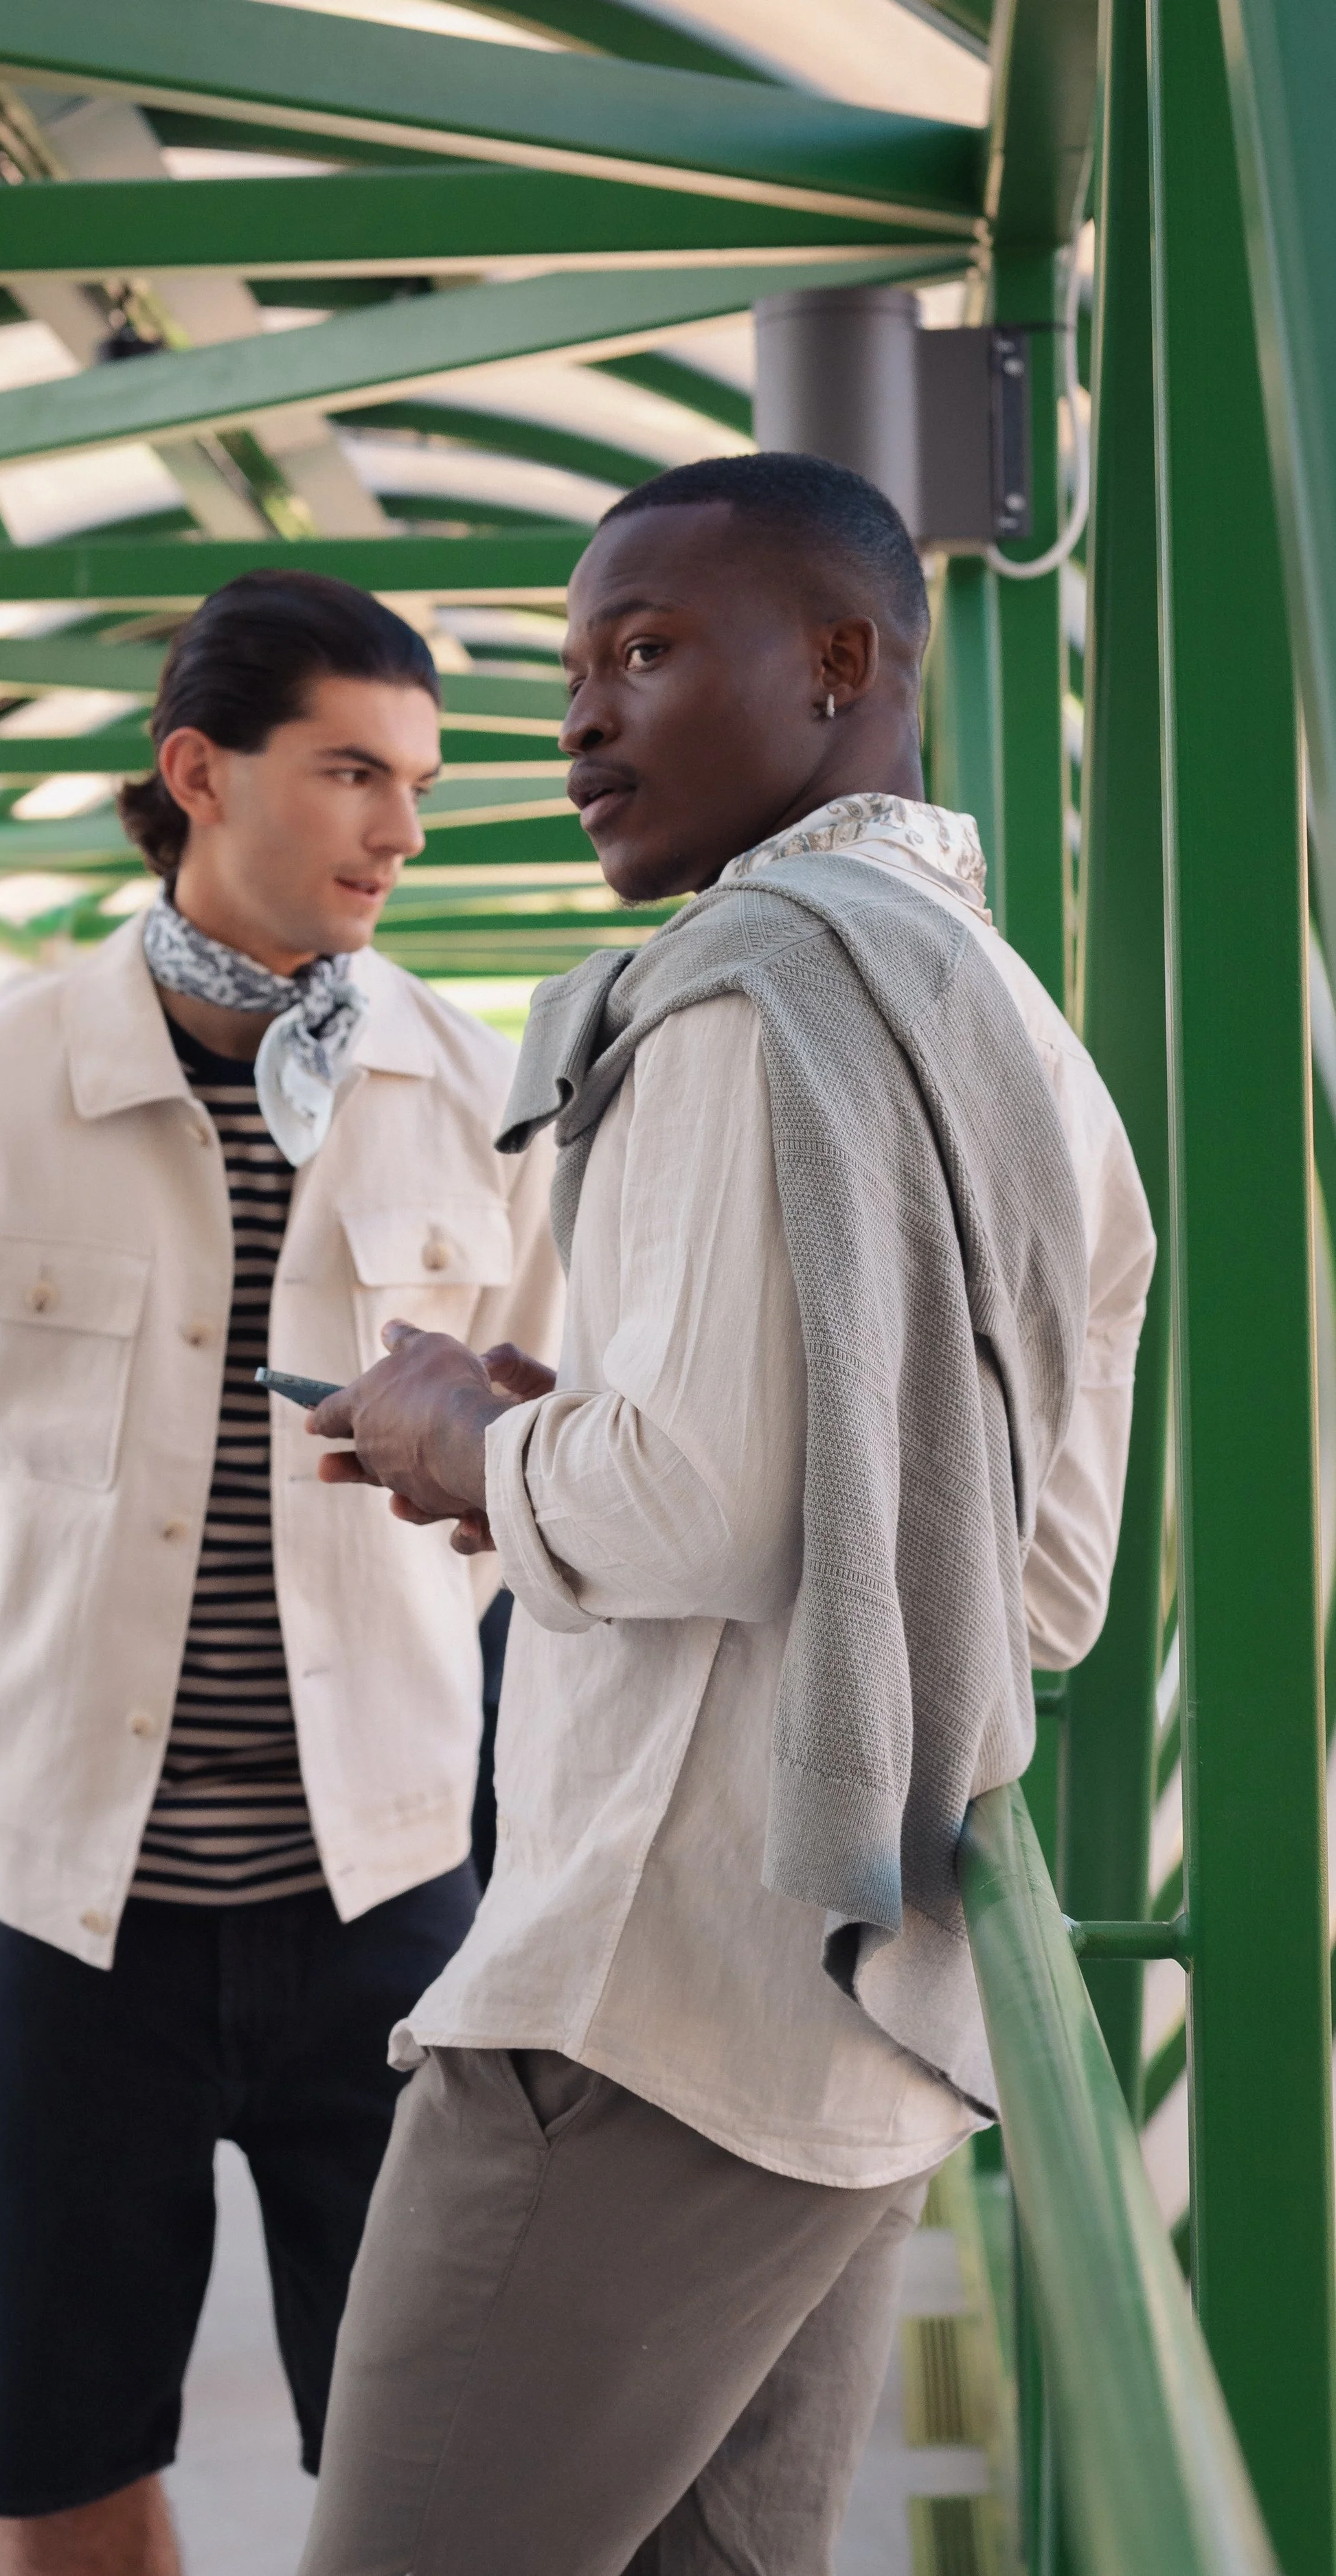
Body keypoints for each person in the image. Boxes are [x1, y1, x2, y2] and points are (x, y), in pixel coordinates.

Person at [295, 456, 1155, 2576]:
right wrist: (579, 1438)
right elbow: (1026, 1585)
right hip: (856, 2030)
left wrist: (454, 1439)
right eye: (572, 671)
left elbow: (687, 1497)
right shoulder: (1011, 1039)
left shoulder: (742, 997)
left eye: (646, 652)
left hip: (631, 2011)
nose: (579, 718)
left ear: (842, 665)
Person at [0, 570, 560, 2576]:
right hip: (69, 1912)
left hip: (391, 1897)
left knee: (436, 2466)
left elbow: (538, 1478)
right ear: (194, 771)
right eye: (349, 771)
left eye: (416, 781)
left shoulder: (482, 1095)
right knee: (56, 2456)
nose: (398, 829)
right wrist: (36, 1742)